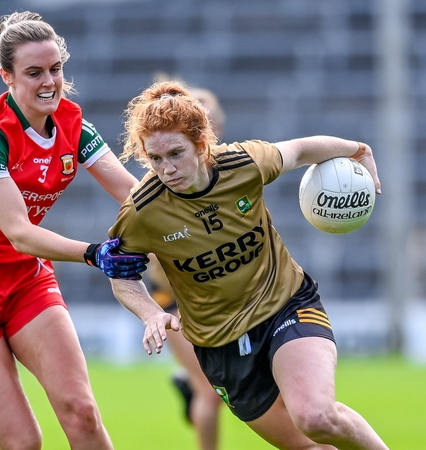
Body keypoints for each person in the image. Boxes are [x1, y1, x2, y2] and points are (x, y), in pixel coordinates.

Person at [106, 80, 388, 449]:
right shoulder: (143, 211)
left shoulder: (243, 163)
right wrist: (149, 314)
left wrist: (358, 150)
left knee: (316, 416)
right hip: (220, 347)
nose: (166, 169)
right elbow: (120, 275)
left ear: (202, 144)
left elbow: (303, 150)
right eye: (155, 159)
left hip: (286, 306)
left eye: (176, 153)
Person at [0, 12, 147, 450]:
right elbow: (18, 231)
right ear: (7, 76)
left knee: (82, 413)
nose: (49, 82)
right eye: (34, 72)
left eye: (56, 69)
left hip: (23, 278)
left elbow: (135, 195)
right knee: (22, 442)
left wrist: (198, 216)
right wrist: (96, 253)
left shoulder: (75, 127)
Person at [146, 76, 225, 450]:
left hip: (221, 300)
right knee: (209, 393)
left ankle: (189, 387)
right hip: (176, 299)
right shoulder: (161, 187)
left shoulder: (231, 176)